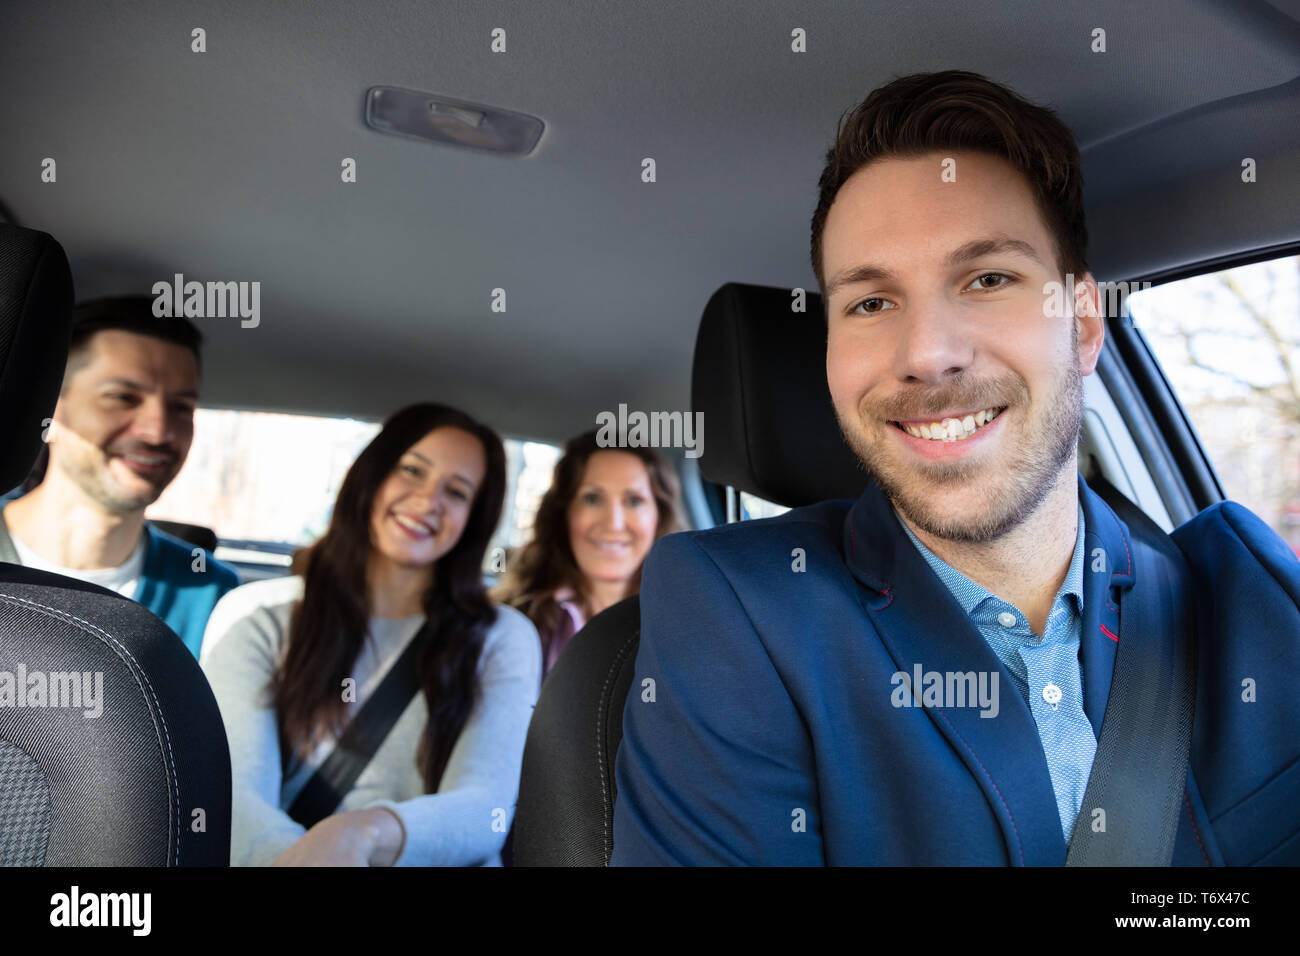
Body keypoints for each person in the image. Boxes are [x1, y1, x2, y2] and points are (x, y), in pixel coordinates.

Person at [611, 70, 1300, 866]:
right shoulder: (737, 611)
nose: (928, 354)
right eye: (871, 302)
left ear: (1081, 324)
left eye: (987, 279)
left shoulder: (1251, 597)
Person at [201, 403, 541, 866]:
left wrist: (364, 834)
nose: (427, 501)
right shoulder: (257, 615)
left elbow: (485, 809)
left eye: (457, 493)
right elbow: (236, 798)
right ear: (372, 475)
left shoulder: (503, 637)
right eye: (412, 471)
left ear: (473, 522)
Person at [0, 295, 238, 658]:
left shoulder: (212, 593)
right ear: (51, 413)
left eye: (180, 407)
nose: (158, 432)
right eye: (123, 397)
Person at [494, 430, 684, 678]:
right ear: (564, 513)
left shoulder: (688, 624)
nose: (614, 524)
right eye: (592, 498)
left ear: (659, 516)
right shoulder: (512, 619)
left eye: (634, 500)